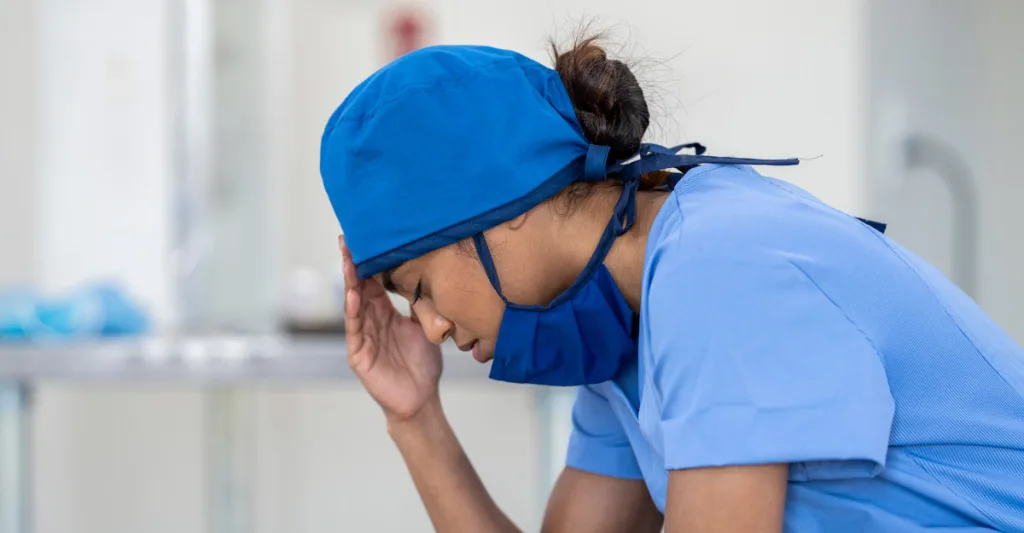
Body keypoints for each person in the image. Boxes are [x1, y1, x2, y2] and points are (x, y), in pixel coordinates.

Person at [319, 35, 1024, 532]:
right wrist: (415, 419)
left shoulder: (718, 269)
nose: (432, 327)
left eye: (422, 287)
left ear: (497, 212)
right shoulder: (621, 327)